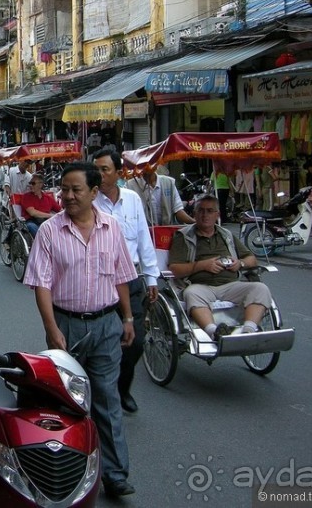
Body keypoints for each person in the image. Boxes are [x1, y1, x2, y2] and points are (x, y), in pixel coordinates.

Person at [23, 162, 137, 498]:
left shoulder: (111, 228)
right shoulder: (49, 231)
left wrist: (127, 318)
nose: (68, 196)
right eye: (65, 189)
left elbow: (121, 276)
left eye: (76, 190)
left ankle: (115, 474)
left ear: (93, 192)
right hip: (66, 326)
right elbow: (41, 284)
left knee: (106, 399)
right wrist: (52, 329)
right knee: (64, 403)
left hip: (105, 325)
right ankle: (63, 472)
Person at [92, 149, 159, 414]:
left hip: (131, 278)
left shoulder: (132, 199)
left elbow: (143, 238)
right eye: (95, 169)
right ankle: (102, 395)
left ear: (118, 172)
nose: (99, 174)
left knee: (136, 342)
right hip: (101, 281)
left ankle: (122, 388)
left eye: (105, 169)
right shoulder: (90, 202)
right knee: (104, 342)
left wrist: (152, 276)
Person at [168, 193, 271, 340]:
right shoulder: (183, 236)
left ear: (217, 214)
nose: (205, 215)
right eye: (201, 211)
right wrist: (202, 265)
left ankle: (248, 331)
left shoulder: (226, 234)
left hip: (230, 285)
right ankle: (214, 333)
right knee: (191, 293)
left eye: (210, 211)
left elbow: (251, 259)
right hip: (201, 286)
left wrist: (239, 263)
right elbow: (174, 269)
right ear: (194, 214)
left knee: (260, 289)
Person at [126, 169, 194, 226]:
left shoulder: (168, 182)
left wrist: (194, 222)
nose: (148, 167)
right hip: (144, 232)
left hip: (166, 232)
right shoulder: (130, 185)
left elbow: (178, 210)